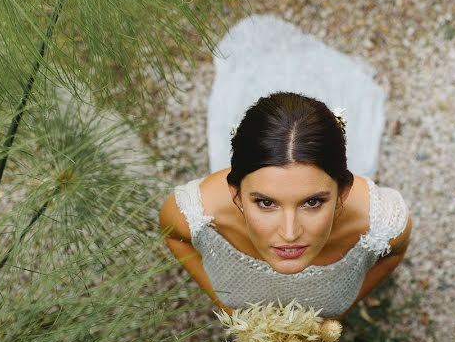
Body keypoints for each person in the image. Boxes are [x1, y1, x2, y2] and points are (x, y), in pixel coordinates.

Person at [159, 91, 412, 320]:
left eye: (312, 202)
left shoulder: (382, 222)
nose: (289, 234)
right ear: (235, 194)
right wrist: (227, 309)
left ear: (343, 193)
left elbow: (394, 255)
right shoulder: (195, 212)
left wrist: (338, 313)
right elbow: (174, 238)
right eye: (266, 202)